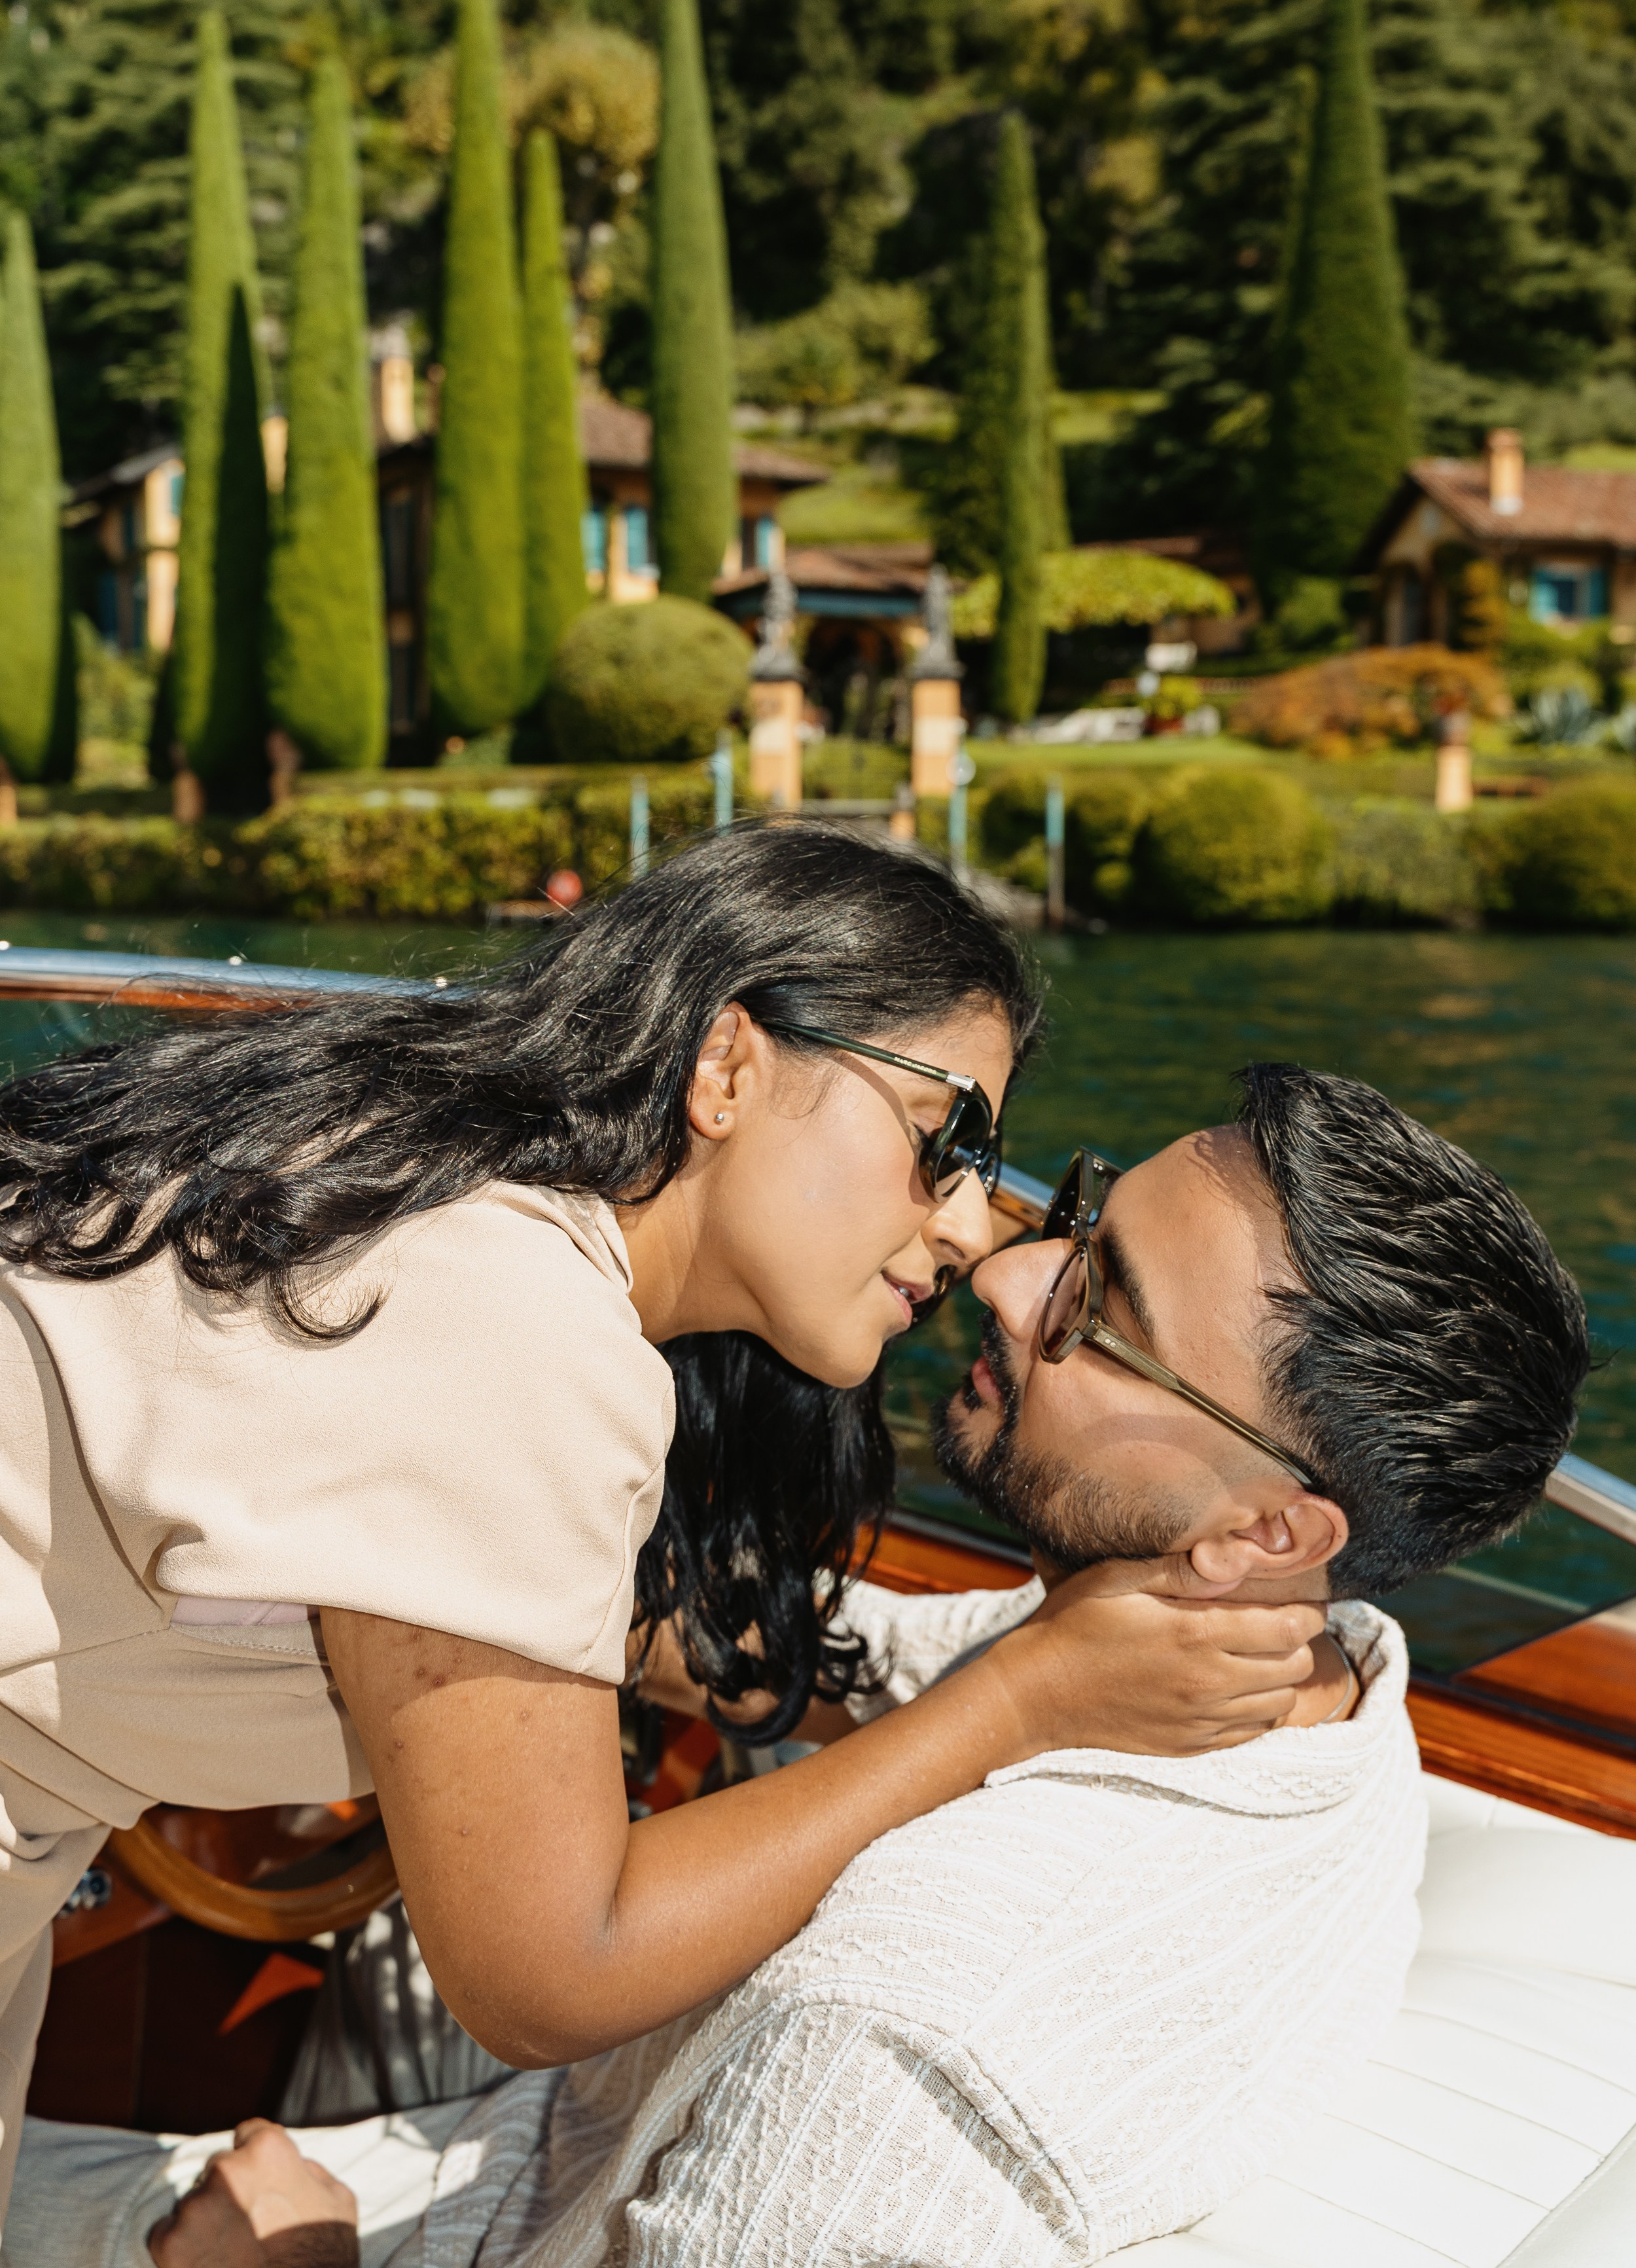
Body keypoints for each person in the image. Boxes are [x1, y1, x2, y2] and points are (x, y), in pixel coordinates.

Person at [22, 1060, 1585, 2267]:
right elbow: (867, 1665)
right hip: (493, 2152)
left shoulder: (887, 2045)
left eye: (1096, 1313)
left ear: (1264, 1529)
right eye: (1080, 1220)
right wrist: (489, 1580)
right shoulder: (1322, 1692)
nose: (999, 1272)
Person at [0, 824, 1324, 2222]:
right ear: (726, 1066)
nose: (969, 1231)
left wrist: (1049, 1660)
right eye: (947, 1143)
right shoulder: (513, 1330)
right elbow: (551, 1970)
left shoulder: (457, 1200)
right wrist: (1019, 1704)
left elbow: (664, 1638)